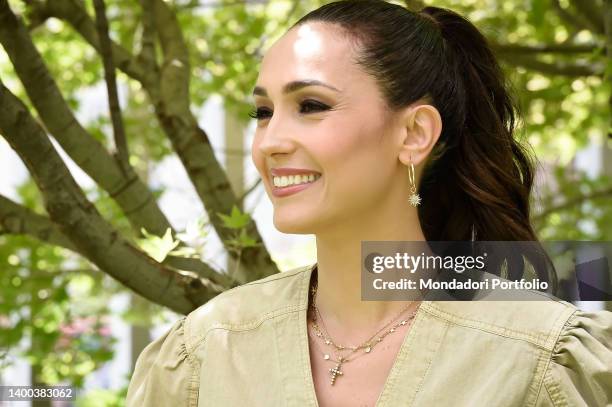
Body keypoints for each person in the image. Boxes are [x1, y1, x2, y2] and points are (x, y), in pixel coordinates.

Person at [126, 1, 612, 406]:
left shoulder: (543, 356)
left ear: (414, 133)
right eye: (263, 112)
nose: (270, 141)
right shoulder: (206, 352)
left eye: (311, 106)